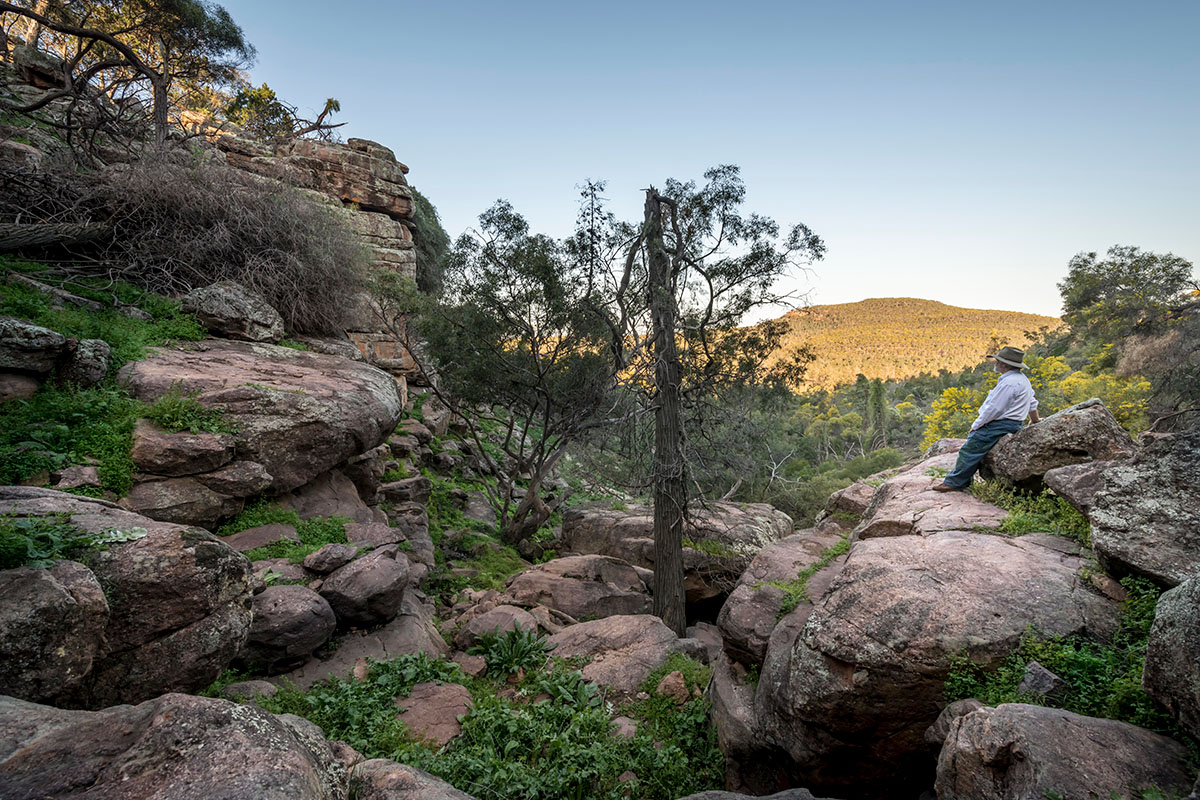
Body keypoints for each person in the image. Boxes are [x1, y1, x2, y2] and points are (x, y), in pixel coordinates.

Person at [933, 346, 1041, 492]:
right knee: (975, 448)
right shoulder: (1022, 380)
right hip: (1013, 423)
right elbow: (1032, 402)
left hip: (999, 424)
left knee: (969, 449)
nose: (995, 363)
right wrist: (1035, 420)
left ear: (1004, 364)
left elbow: (995, 409)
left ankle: (955, 482)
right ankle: (961, 480)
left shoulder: (1009, 383)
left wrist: (977, 425)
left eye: (997, 361)